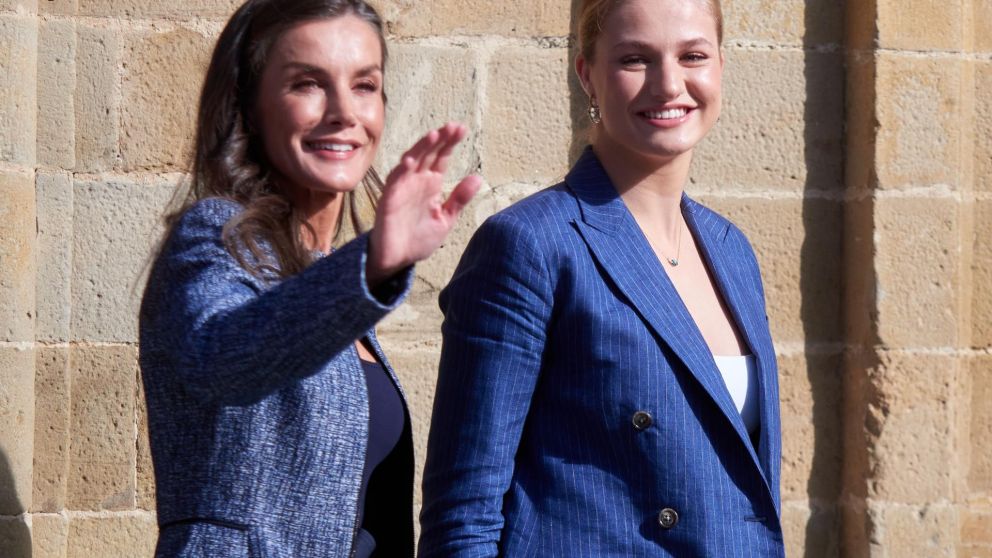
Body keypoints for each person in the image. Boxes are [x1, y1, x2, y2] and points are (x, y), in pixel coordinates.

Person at [418, 0, 784, 555]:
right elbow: (462, 514)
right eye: (635, 59)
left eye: (693, 55)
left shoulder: (731, 250)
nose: (669, 84)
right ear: (587, 74)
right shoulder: (531, 243)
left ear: (720, 67)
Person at [138, 1, 480, 556]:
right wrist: (370, 266)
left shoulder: (325, 269)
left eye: (364, 85)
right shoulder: (216, 238)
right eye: (308, 84)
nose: (344, 112)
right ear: (251, 106)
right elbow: (225, 358)